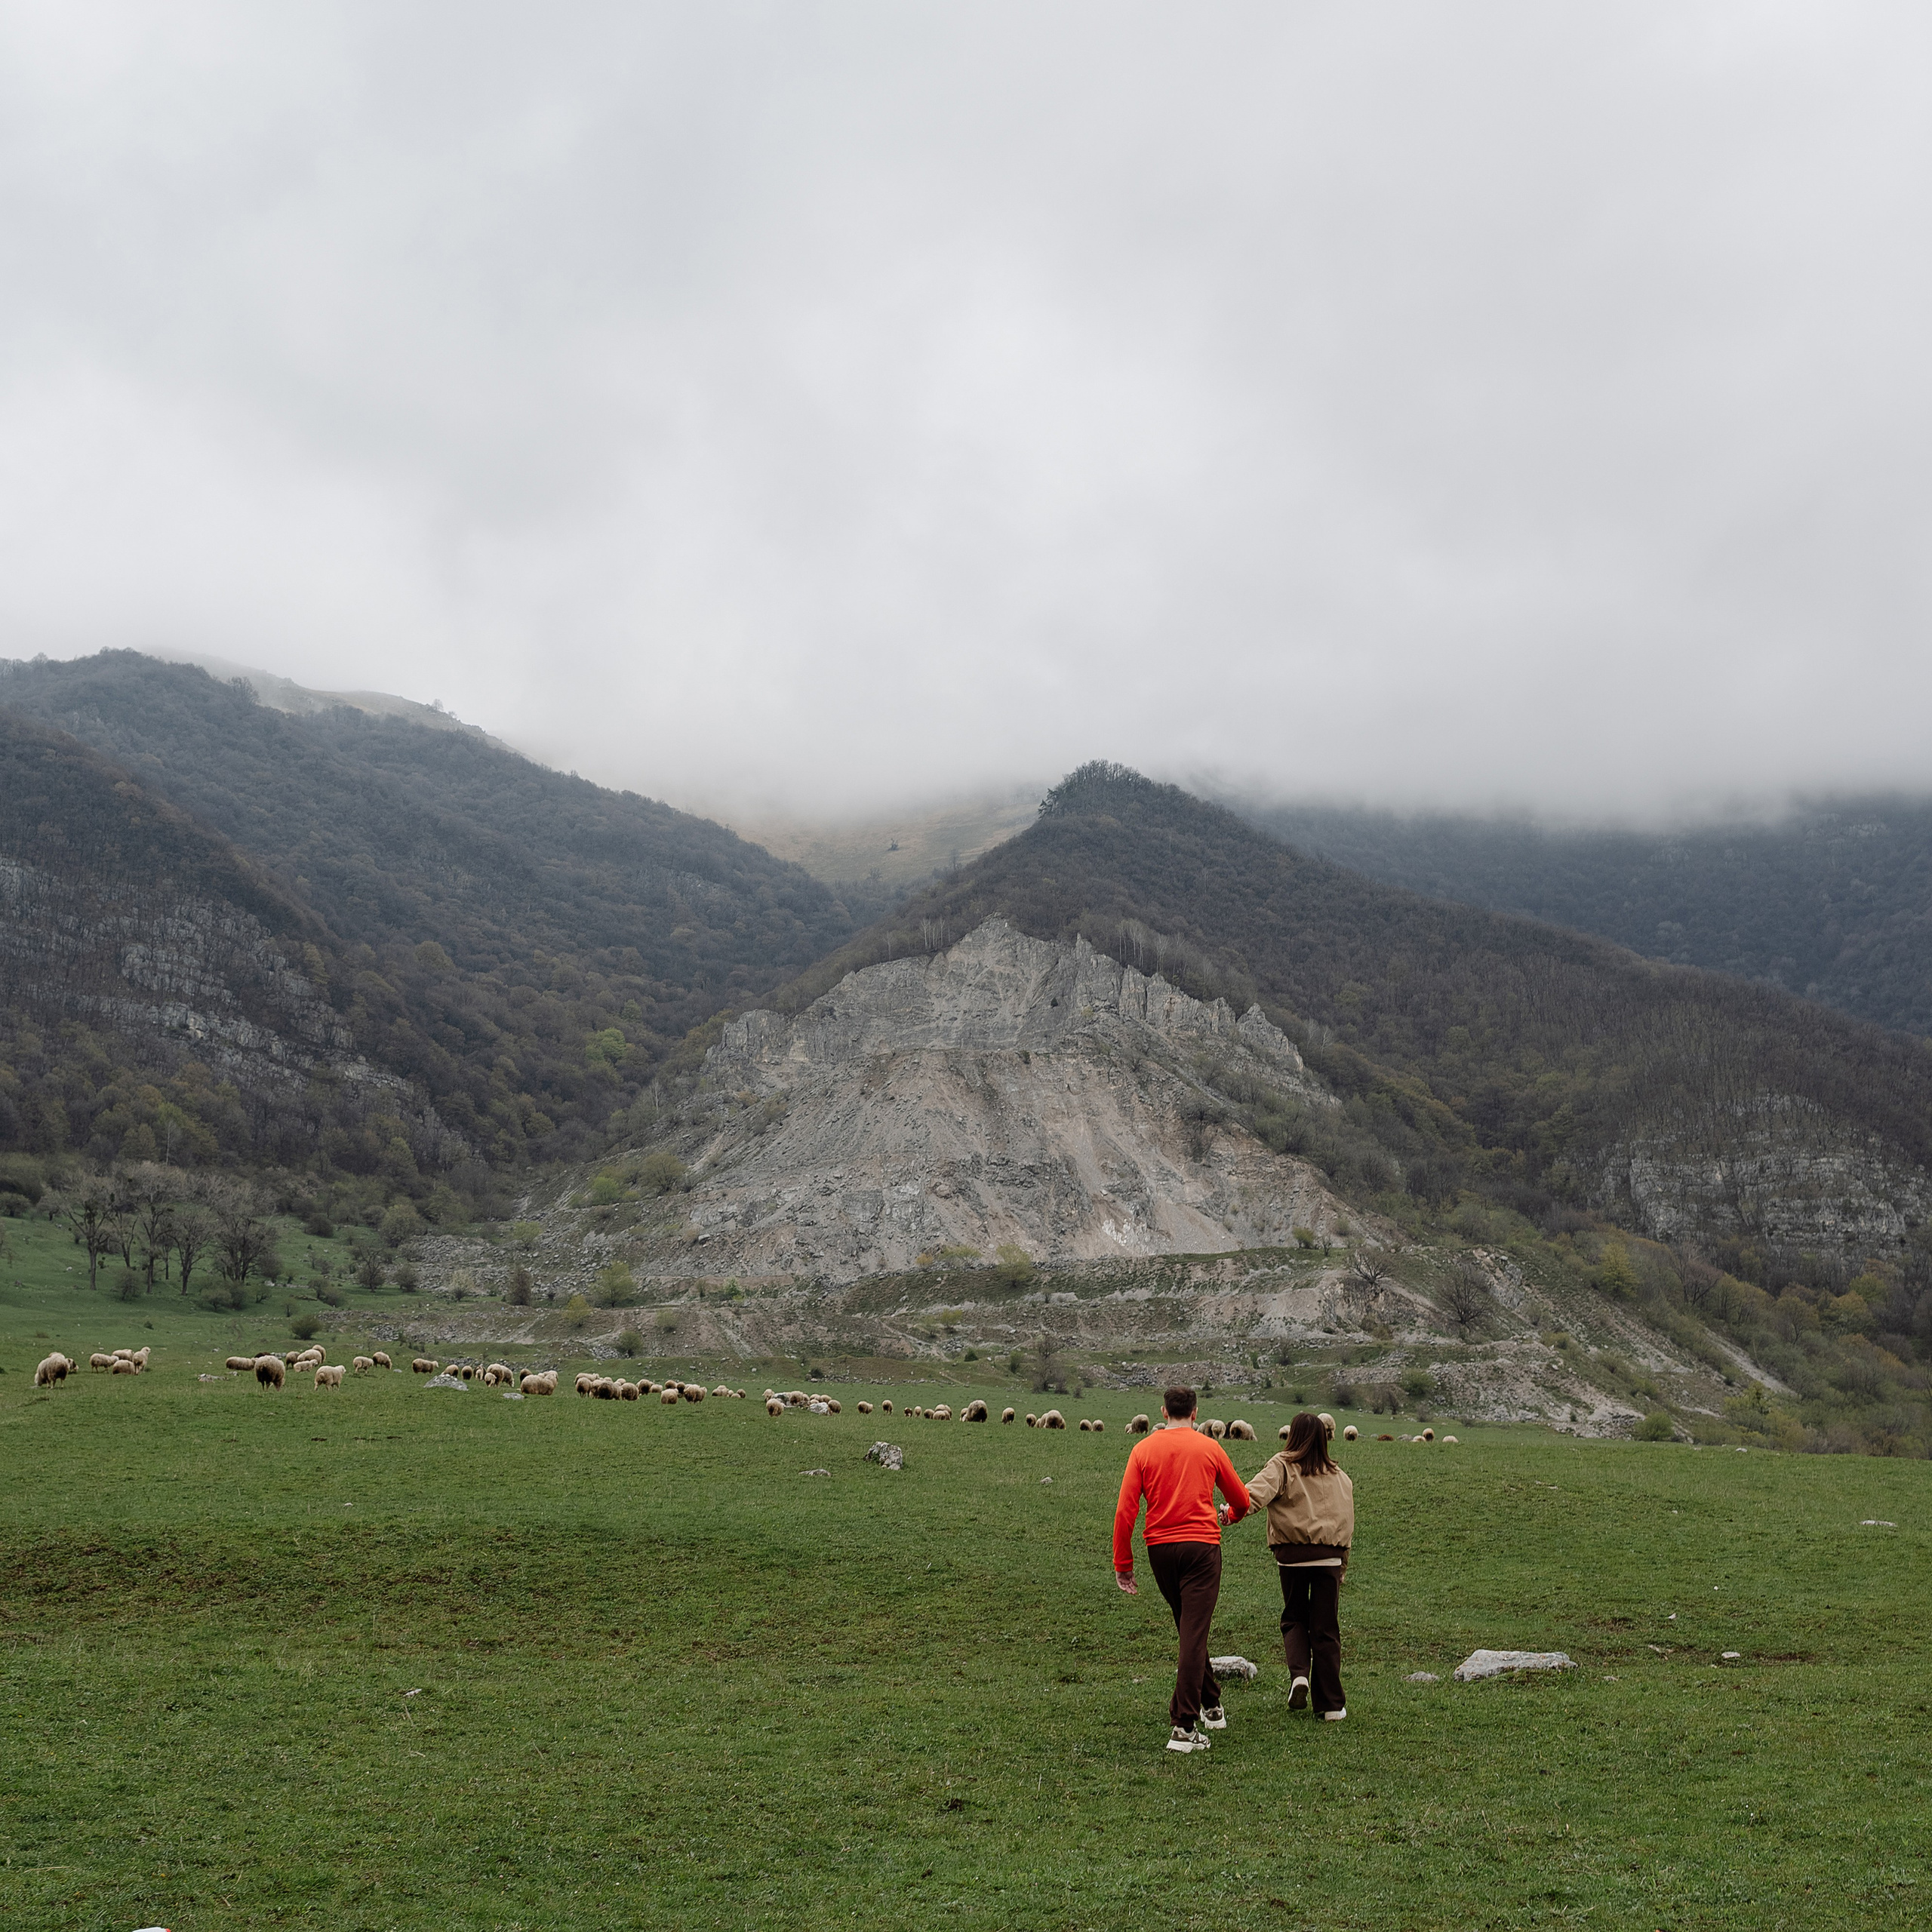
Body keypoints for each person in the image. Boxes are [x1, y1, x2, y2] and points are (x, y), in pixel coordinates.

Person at [1112, 1385, 1253, 1753]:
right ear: (1195, 1413)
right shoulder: (1210, 1447)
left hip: (1159, 1550)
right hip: (1201, 1548)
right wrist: (1231, 1515)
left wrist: (1123, 1563)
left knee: (1190, 1628)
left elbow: (1126, 1509)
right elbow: (1241, 1499)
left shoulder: (1143, 1450)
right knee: (1193, 1632)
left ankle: (1212, 1704)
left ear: (1163, 1412)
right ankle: (1184, 1726)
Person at [1242, 1409, 1355, 1721]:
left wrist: (1233, 1510)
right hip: (1330, 1557)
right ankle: (1331, 1705)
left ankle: (1299, 1676)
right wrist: (1342, 1565)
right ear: (1324, 1438)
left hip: (1292, 1556)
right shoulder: (1341, 1478)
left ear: (1292, 1435)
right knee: (1326, 1627)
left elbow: (1255, 1494)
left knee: (1294, 1617)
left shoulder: (1282, 1465)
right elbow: (1347, 1524)